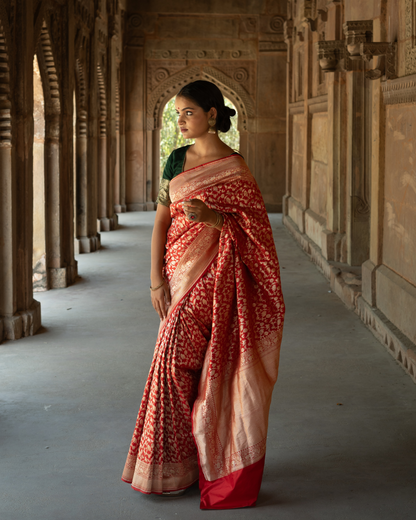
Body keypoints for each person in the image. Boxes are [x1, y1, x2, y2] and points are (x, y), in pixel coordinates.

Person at [121, 80, 285, 509]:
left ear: (213, 114)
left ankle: (206, 460)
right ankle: (175, 465)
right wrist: (156, 279)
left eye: (188, 112)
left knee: (204, 370)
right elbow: (161, 223)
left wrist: (215, 218)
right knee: (173, 368)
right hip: (178, 278)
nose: (180, 121)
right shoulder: (176, 160)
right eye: (177, 113)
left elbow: (258, 235)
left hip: (219, 281)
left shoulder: (235, 167)